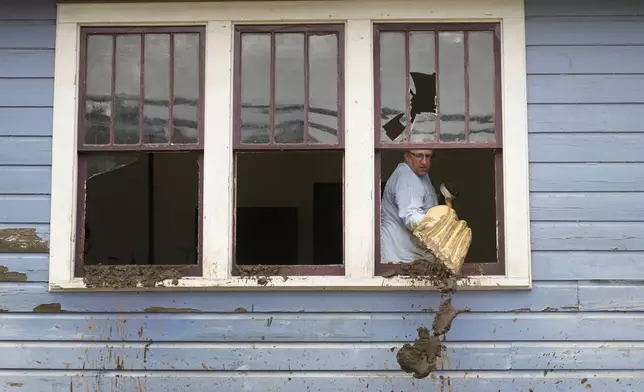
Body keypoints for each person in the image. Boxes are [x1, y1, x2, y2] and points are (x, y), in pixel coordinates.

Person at [381, 149, 438, 263]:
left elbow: (424, 205)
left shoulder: (421, 175)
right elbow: (411, 217)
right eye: (419, 156)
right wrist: (440, 224)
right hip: (400, 260)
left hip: (410, 257)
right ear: (407, 157)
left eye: (428, 156)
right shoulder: (406, 178)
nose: (424, 162)